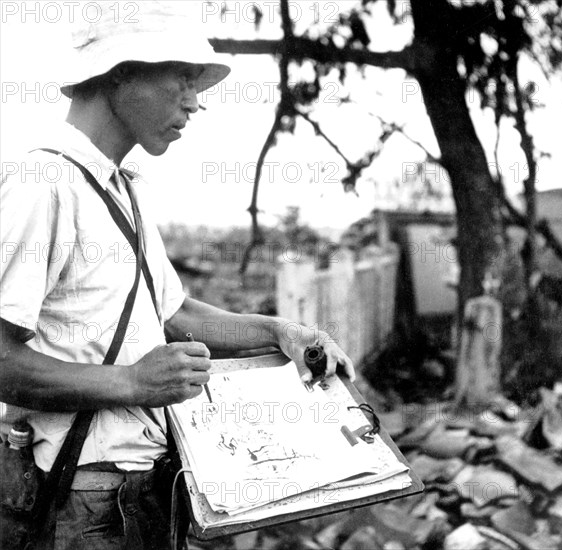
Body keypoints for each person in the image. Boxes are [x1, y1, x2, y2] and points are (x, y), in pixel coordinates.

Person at [0, 2, 355, 549]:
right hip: (82, 495)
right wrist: (133, 383)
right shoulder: (41, 182)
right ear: (121, 71)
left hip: (145, 488)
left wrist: (280, 332)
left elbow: (175, 314)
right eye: (182, 81)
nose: (195, 103)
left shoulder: (122, 185)